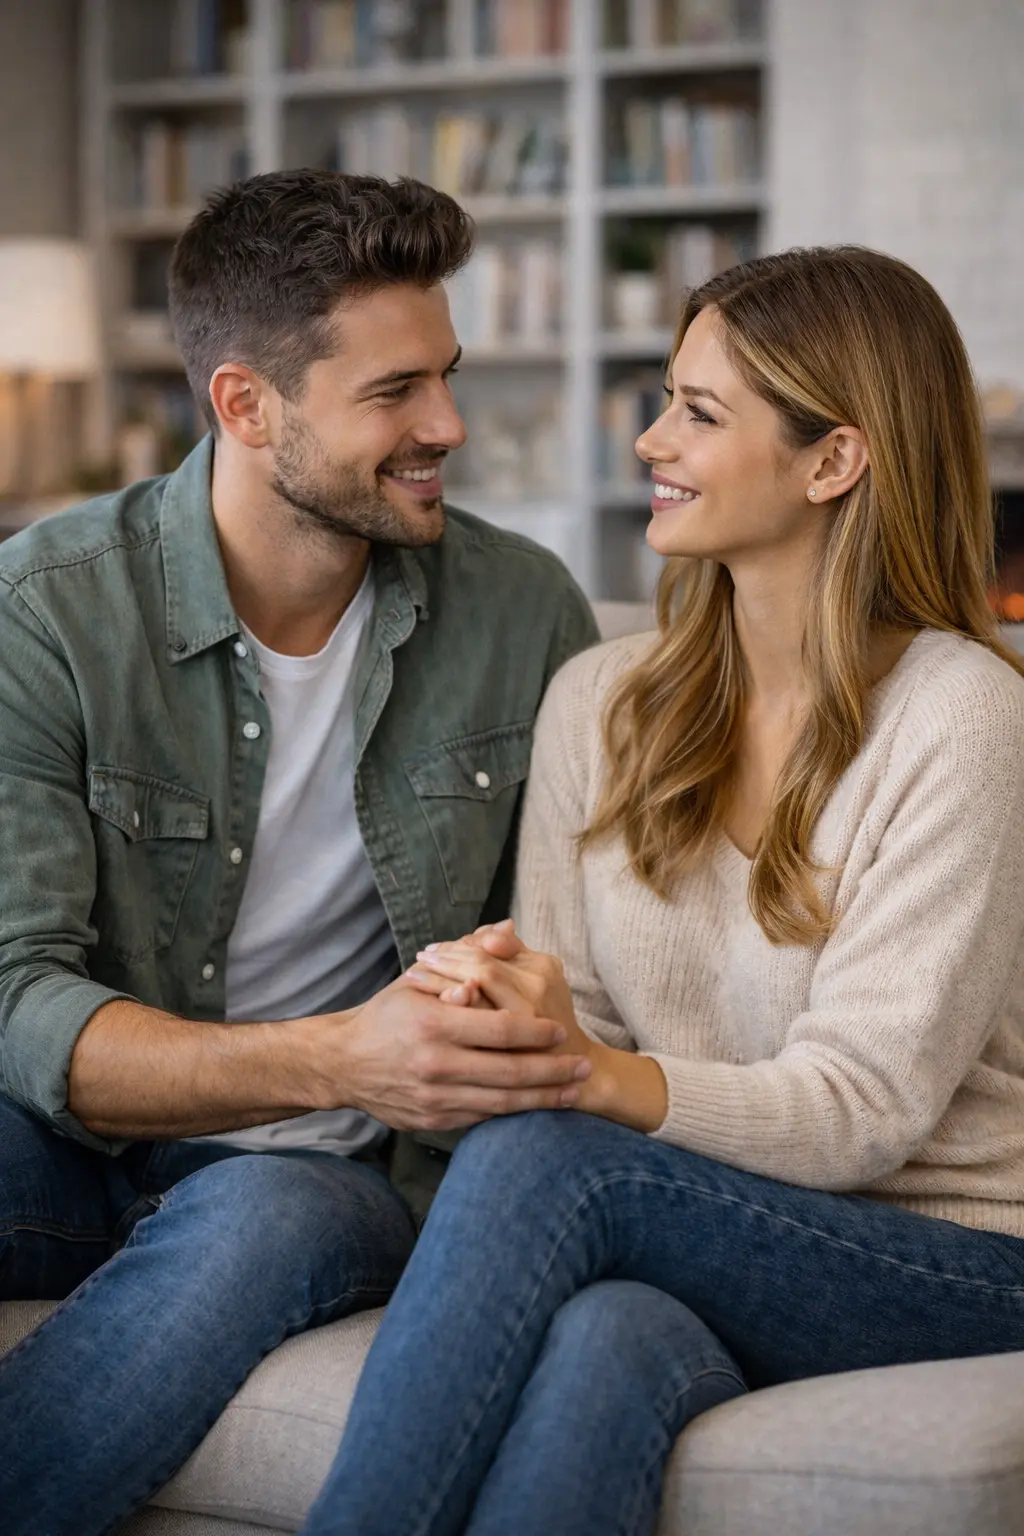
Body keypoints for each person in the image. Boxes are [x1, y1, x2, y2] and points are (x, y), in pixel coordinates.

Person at [299, 246, 1024, 1536]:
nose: (648, 441)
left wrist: (571, 1078)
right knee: (609, 1340)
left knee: (548, 1165)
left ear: (832, 460)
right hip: (717, 1218)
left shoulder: (963, 717)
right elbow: (592, 1026)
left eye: (699, 412)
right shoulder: (605, 703)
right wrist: (511, 1024)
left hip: (953, 1253)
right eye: (664, 400)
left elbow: (862, 1111)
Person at [0, 170, 598, 1536]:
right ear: (244, 405)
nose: (447, 426)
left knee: (262, 1213)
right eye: (394, 395)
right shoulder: (44, 612)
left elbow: (579, 950)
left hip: (336, 1181)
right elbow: (17, 1004)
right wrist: (338, 1053)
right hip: (73, 1139)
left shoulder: (523, 612)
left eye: (445, 377)